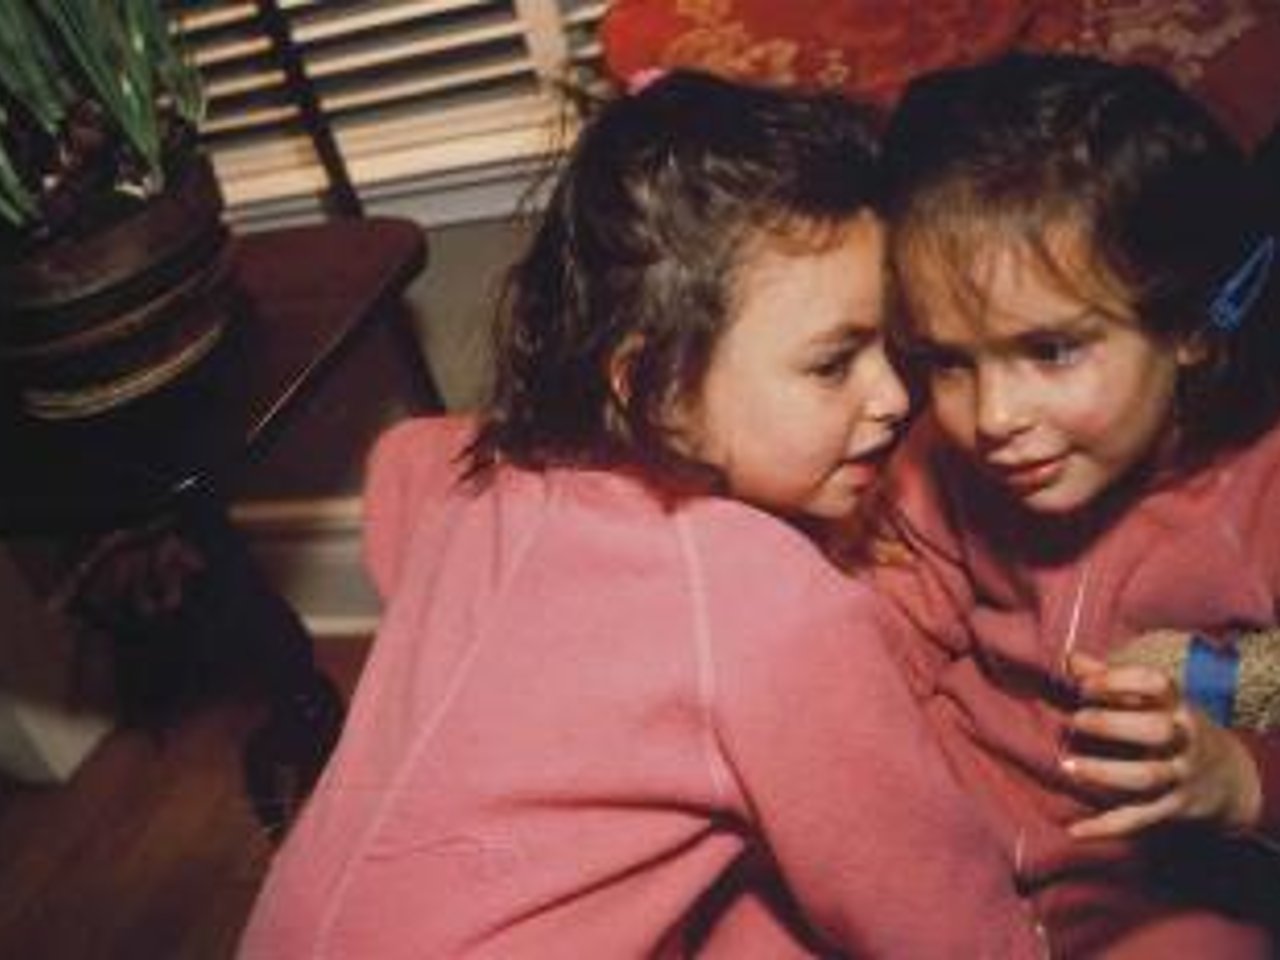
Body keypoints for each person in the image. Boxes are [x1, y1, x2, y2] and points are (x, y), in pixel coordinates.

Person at [238, 70, 1036, 958]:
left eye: (893, 347)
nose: (893, 396)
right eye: (833, 364)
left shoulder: (478, 478)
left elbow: (401, 468)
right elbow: (927, 900)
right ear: (654, 387)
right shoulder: (771, 606)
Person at [873, 52, 1280, 956]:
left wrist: (1240, 778)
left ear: (1189, 326)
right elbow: (882, 631)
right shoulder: (939, 466)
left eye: (1051, 350)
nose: (993, 417)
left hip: (1154, 885)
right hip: (944, 831)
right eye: (950, 361)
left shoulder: (1261, 496)